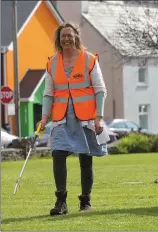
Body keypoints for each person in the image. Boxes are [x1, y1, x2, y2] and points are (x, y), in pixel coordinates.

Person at [38, 22, 109, 215]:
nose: (67, 38)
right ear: (58, 40)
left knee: (85, 159)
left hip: (85, 117)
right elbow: (48, 94)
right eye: (63, 36)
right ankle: (61, 201)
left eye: (70, 35)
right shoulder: (52, 63)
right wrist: (44, 119)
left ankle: (85, 200)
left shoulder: (89, 59)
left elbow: (100, 89)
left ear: (76, 37)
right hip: (61, 117)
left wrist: (99, 117)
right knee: (58, 154)